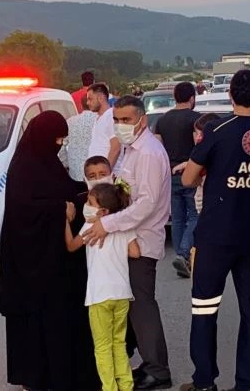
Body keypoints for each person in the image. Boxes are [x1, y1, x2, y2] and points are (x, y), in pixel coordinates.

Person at [179, 70, 250, 391]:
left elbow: (187, 179)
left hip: (215, 236)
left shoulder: (217, 131)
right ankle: (247, 384)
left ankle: (204, 381)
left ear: (232, 96)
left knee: (205, 308)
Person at [0, 111, 99, 391]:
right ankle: (34, 377)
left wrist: (93, 191)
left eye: (62, 139)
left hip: (54, 263)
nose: (58, 144)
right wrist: (58, 209)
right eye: (55, 138)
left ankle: (64, 371)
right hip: (30, 265)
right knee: (36, 320)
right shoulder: (24, 167)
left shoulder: (47, 163)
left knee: (60, 318)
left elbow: (64, 189)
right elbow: (23, 211)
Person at [82, 96, 172, 390]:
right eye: (117, 120)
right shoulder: (131, 150)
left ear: (141, 120)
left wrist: (107, 224)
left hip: (141, 242)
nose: (120, 125)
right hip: (130, 240)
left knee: (142, 306)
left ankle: (158, 371)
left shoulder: (148, 153)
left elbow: (146, 204)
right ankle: (150, 363)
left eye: (126, 120)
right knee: (136, 307)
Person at [65, 180, 141, 391]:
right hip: (122, 294)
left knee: (102, 347)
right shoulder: (122, 226)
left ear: (103, 210)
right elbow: (135, 252)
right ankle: (126, 385)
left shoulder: (90, 226)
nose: (87, 206)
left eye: (90, 202)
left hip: (99, 296)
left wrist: (66, 220)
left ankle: (109, 387)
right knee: (119, 342)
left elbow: (72, 246)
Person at [154, 82, 200, 278]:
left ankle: (183, 258)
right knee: (195, 215)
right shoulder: (196, 119)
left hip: (170, 174)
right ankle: (183, 254)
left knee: (178, 217)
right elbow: (200, 146)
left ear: (174, 97)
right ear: (192, 98)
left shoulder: (162, 121)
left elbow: (158, 149)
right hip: (191, 173)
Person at [87, 82, 122, 172]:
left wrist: (106, 172)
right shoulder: (98, 118)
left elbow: (116, 147)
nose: (88, 103)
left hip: (108, 174)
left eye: (90, 99)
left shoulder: (110, 116)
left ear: (101, 98)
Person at [66, 93, 98, 181]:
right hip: (96, 174)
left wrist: (67, 164)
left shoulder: (70, 121)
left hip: (75, 174)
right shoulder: (100, 120)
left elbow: (62, 146)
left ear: (81, 105)